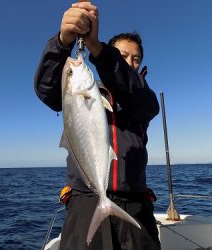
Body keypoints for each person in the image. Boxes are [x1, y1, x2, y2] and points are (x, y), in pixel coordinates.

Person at [34, 2, 160, 250]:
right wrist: (62, 42)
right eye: (122, 56)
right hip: (84, 203)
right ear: (110, 56)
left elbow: (137, 95)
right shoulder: (84, 91)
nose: (130, 62)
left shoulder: (143, 97)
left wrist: (99, 49)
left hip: (135, 205)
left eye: (136, 59)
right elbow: (46, 89)